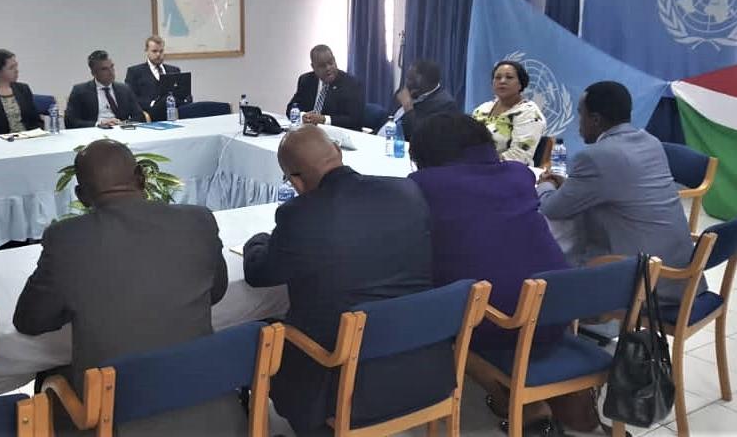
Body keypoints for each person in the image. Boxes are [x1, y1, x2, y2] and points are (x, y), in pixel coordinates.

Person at [13, 140, 238, 436]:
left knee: (52, 377)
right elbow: (216, 292)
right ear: (142, 178)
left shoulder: (66, 239)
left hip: (117, 418)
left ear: (81, 196)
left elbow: (30, 321)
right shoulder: (198, 220)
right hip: (213, 412)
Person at [243, 125, 452, 435]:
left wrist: (257, 242)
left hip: (345, 377)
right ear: (338, 155)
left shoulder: (298, 214)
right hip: (426, 363)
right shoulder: (406, 191)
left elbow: (260, 273)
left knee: (261, 335)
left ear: (296, 181)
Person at [409, 114, 569, 431]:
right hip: (556, 308)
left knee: (425, 310)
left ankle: (504, 393)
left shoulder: (422, 186)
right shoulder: (518, 174)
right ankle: (528, 395)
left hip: (494, 320)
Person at [537, 81, 703, 305]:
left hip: (646, 280)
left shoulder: (596, 156)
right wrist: (568, 183)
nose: (579, 123)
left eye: (581, 115)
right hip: (680, 271)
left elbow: (552, 208)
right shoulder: (650, 141)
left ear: (595, 120)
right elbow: (617, 185)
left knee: (547, 255)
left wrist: (545, 184)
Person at [472, 60, 546, 166]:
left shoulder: (529, 113)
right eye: (498, 77)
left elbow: (519, 156)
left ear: (521, 84)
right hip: (475, 168)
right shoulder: (482, 109)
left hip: (508, 171)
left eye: (509, 77)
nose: (502, 81)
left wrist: (481, 164)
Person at [286, 45, 364, 131]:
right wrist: (302, 116)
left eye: (330, 63)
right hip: (309, 133)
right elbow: (292, 108)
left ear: (334, 60)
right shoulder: (306, 80)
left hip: (337, 136)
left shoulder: (351, 84)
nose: (328, 68)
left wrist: (324, 119)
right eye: (322, 66)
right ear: (313, 67)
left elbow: (354, 119)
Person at [0, 49, 44, 137]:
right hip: (1, 145)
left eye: (16, 66)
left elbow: (36, 121)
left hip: (28, 141)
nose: (16, 70)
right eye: (11, 68)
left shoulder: (23, 89)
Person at [65, 50, 145, 128]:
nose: (111, 72)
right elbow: (70, 121)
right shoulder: (80, 91)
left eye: (112, 67)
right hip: (93, 133)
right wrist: (98, 124)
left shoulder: (124, 89)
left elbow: (140, 116)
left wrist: (123, 123)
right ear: (93, 73)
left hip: (120, 131)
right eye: (104, 69)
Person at [383, 60, 458, 141]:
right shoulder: (409, 91)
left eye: (411, 79)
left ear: (428, 81)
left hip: (401, 146)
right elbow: (390, 118)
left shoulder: (445, 104)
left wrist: (408, 107)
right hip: (381, 137)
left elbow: (420, 135)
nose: (407, 83)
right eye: (407, 77)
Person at [124, 36, 181, 121]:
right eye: (154, 51)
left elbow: (184, 92)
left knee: (201, 107)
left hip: (174, 112)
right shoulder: (135, 72)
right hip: (150, 113)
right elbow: (130, 98)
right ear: (146, 51)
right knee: (164, 101)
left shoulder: (174, 70)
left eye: (161, 51)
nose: (158, 54)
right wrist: (152, 103)